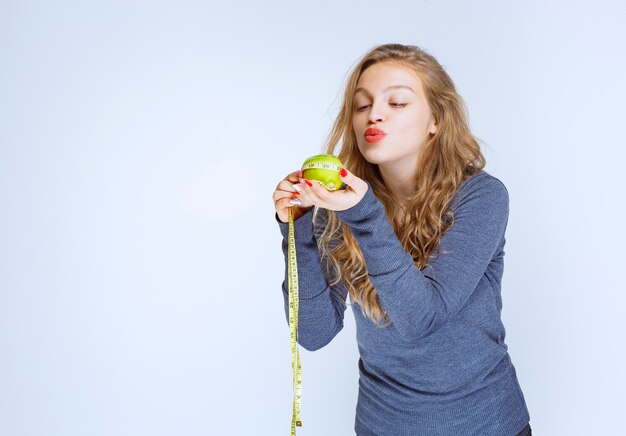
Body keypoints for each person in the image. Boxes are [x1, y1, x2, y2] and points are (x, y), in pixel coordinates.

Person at [272, 43, 532, 436]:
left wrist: (363, 216)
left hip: (487, 426)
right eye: (361, 106)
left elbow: (421, 318)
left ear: (436, 120)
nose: (374, 114)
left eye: (397, 102)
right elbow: (313, 333)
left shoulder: (481, 197)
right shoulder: (345, 207)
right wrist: (299, 229)